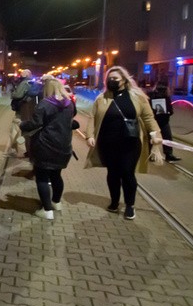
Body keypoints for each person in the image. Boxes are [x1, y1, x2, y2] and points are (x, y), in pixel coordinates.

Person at [86, 66, 163, 220]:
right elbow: (92, 117)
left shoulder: (137, 97)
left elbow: (148, 118)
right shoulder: (102, 98)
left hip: (130, 142)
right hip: (108, 142)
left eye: (115, 79)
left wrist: (156, 134)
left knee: (127, 173)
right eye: (109, 79)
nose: (112, 81)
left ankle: (129, 205)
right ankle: (114, 202)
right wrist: (89, 135)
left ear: (124, 80)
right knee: (113, 173)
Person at [20, 78, 77, 220]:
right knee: (56, 175)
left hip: (45, 145)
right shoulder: (69, 104)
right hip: (63, 146)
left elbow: (35, 123)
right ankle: (56, 202)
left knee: (42, 177)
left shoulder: (45, 104)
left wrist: (22, 125)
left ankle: (47, 210)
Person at [148, 81, 180, 162]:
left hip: (161, 120)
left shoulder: (161, 97)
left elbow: (171, 110)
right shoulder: (160, 96)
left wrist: (167, 112)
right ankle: (151, 154)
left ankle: (168, 154)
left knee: (165, 137)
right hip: (157, 120)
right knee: (156, 137)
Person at [8, 69, 34, 156]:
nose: (20, 75)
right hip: (29, 111)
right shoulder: (32, 83)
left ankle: (14, 149)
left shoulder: (24, 83)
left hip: (21, 110)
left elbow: (17, 95)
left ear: (26, 75)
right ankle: (29, 151)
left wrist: (12, 93)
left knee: (14, 130)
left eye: (22, 74)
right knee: (27, 132)